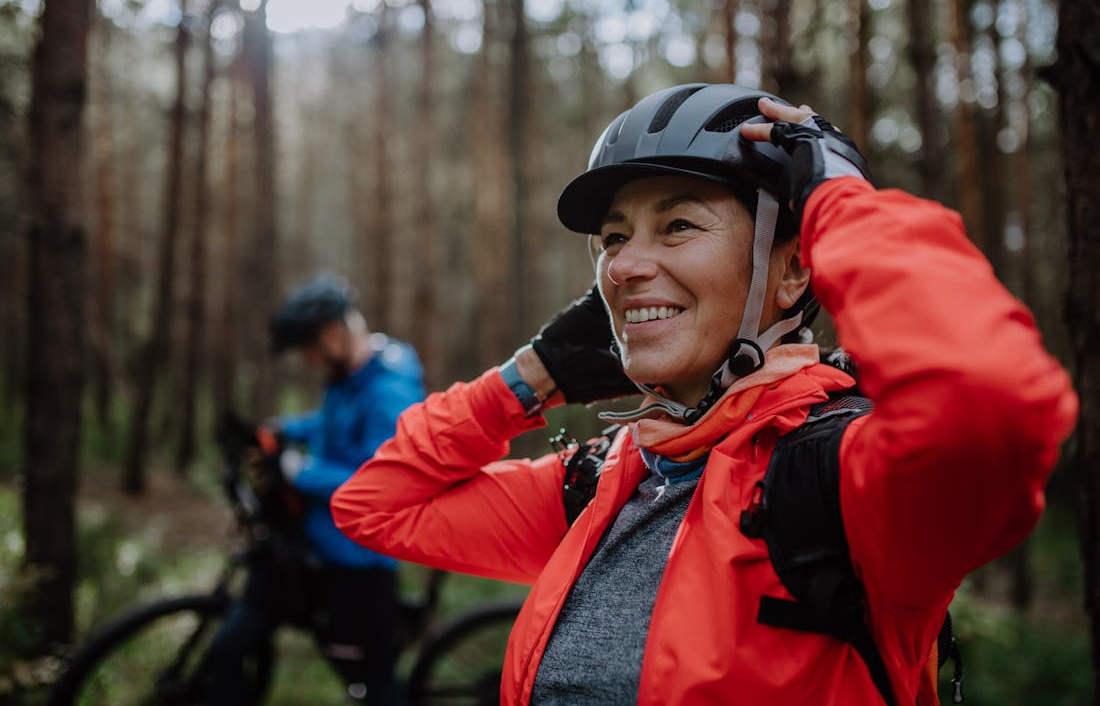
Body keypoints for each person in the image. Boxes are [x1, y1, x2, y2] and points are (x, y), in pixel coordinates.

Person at [330, 85, 1078, 705]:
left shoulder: (839, 486)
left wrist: (839, 202)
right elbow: (374, 503)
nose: (623, 266)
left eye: (677, 224)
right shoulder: (611, 481)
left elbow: (990, 402)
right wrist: (530, 378)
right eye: (615, 238)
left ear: (792, 272)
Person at [203, 272, 425, 706]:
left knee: (372, 686)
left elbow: (380, 477)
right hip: (312, 545)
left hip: (358, 560)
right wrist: (280, 430)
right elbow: (330, 428)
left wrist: (296, 468)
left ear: (332, 334)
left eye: (308, 349)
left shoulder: (389, 390)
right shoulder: (347, 376)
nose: (307, 361)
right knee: (230, 645)